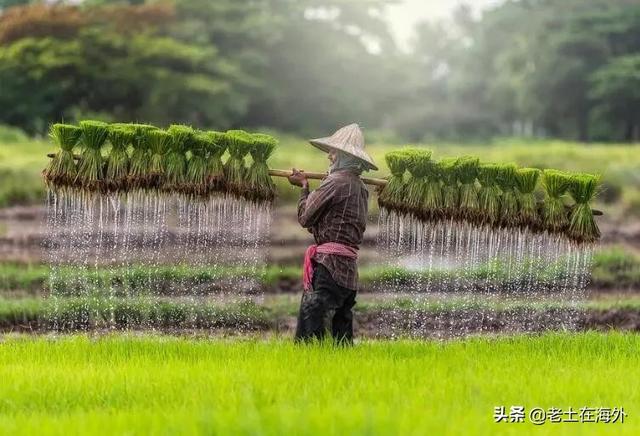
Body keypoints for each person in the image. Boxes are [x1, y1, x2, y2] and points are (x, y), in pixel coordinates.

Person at [288, 123, 378, 344]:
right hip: (348, 268)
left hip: (330, 265)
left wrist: (303, 187)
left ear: (343, 157)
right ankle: (339, 361)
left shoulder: (335, 183)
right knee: (341, 321)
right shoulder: (360, 187)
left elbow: (306, 218)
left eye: (333, 152)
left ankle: (309, 359)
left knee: (313, 311)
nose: (329, 156)